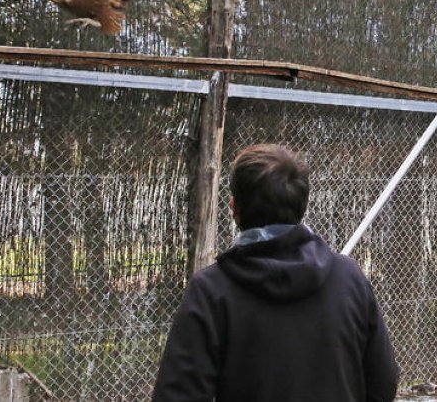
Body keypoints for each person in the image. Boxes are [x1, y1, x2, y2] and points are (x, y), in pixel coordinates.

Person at [153, 144, 399, 402]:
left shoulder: (211, 291)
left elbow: (178, 395)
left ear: (234, 208)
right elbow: (383, 382)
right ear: (302, 205)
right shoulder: (349, 278)